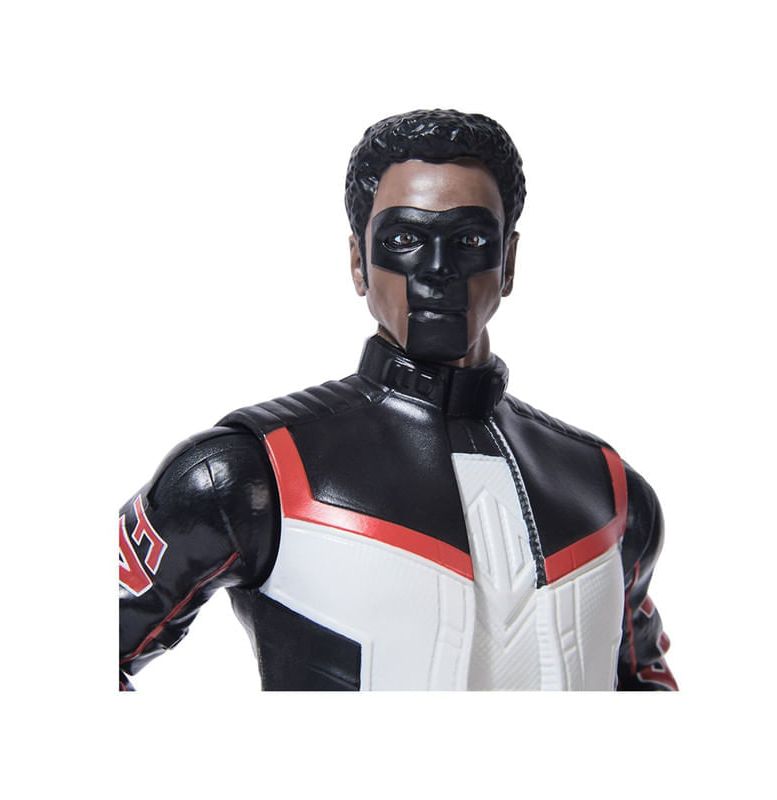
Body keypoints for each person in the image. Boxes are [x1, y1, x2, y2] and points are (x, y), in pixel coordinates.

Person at [119, 109, 677, 691]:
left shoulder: (609, 492)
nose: (438, 271)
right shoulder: (251, 474)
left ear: (508, 262)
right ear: (358, 262)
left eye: (470, 240)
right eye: (405, 239)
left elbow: (647, 687)